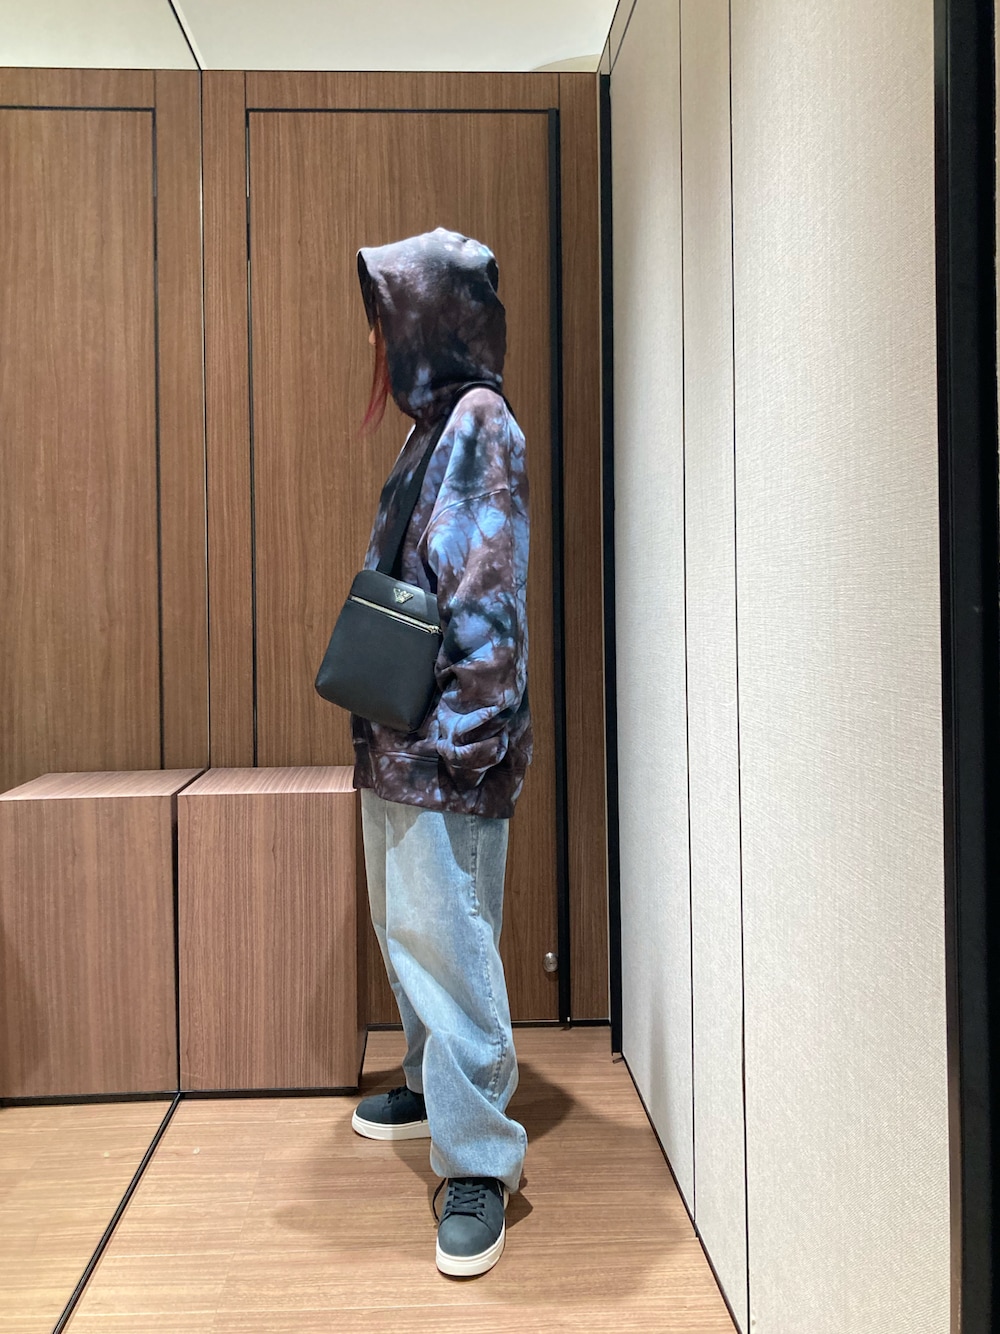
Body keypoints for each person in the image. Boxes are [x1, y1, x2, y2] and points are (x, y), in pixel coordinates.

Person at [347, 227, 533, 1278]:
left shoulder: (478, 423)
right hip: (399, 738)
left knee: (450, 940)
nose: (381, 340)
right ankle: (430, 1084)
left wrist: (464, 744)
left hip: (445, 749)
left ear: (430, 318)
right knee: (409, 925)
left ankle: (478, 1160)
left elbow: (487, 596)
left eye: (390, 315)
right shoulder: (433, 426)